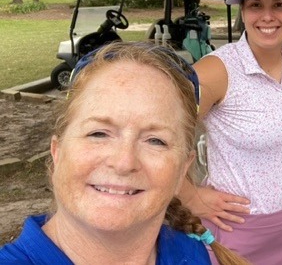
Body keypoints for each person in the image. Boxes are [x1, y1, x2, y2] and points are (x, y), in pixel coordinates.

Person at [0, 42, 249, 265]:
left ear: (183, 169)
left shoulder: (193, 255)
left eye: (155, 141)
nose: (123, 162)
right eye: (98, 134)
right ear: (57, 151)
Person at [179, 0, 282, 264]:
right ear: (243, 12)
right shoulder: (218, 70)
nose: (267, 16)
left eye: (279, 5)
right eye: (255, 5)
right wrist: (187, 194)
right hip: (238, 230)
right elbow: (157, 134)